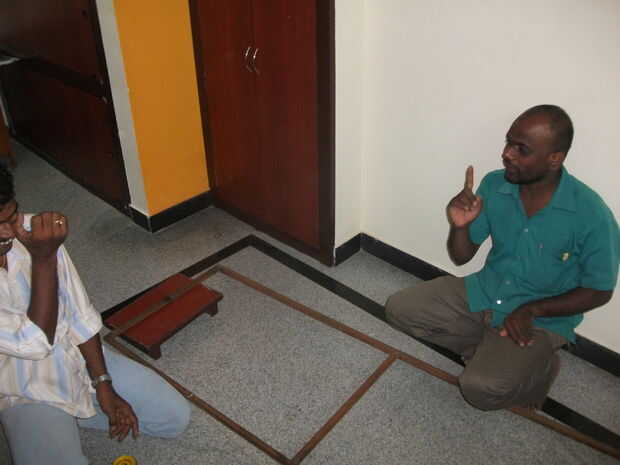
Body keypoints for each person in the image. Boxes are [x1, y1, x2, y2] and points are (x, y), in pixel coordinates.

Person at [386, 105, 619, 411]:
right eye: (509, 142)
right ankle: (492, 350)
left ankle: (540, 366)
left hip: (540, 319)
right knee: (399, 310)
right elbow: (461, 256)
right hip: (486, 291)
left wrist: (532, 309)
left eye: (522, 149)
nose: (507, 154)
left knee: (478, 390)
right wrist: (460, 225)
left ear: (555, 158)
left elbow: (600, 290)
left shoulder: (591, 214)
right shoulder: (495, 184)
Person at [0, 165, 191, 465]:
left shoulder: (32, 231)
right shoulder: (41, 249)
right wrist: (44, 259)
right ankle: (54, 421)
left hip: (72, 357)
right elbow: (34, 343)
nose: (10, 231)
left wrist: (103, 382)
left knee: (173, 418)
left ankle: (73, 414)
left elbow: (79, 314)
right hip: (21, 389)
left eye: (11, 216)